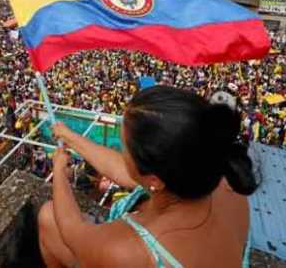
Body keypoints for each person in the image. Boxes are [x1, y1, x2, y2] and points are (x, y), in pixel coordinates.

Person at [38, 86, 259, 268]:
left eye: (125, 149)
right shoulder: (223, 181)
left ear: (154, 179)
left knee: (48, 214)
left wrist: (58, 171)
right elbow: (121, 170)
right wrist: (70, 137)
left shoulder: (130, 252)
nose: (122, 153)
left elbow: (72, 232)